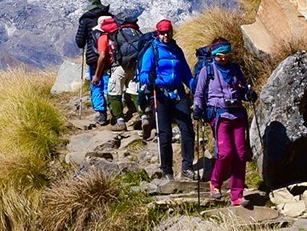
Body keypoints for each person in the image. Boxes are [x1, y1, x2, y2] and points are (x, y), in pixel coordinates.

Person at [192, 37, 257, 206]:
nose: (223, 58)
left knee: (241, 154)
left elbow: (241, 88)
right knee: (225, 152)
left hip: (238, 115)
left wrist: (248, 95)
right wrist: (197, 109)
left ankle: (237, 195)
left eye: (226, 55)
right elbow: (199, 94)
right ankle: (215, 183)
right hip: (219, 115)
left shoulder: (235, 69)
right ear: (214, 55)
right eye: (220, 55)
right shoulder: (208, 70)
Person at [137, 19, 196, 181]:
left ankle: (187, 167)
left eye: (168, 32)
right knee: (165, 133)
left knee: (187, 130)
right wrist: (149, 78)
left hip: (178, 94)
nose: (165, 36)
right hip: (159, 95)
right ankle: (166, 170)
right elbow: (143, 74)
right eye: (162, 33)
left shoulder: (177, 50)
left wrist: (194, 86)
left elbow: (185, 73)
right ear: (158, 33)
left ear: (172, 32)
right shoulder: (152, 50)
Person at [93, 16, 137, 131]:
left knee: (114, 93)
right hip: (132, 65)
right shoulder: (124, 34)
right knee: (134, 90)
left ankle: (120, 121)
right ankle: (144, 117)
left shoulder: (104, 37)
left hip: (116, 68)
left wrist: (97, 75)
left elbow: (102, 56)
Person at [74, 0, 112, 125]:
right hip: (111, 55)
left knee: (96, 83)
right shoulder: (110, 17)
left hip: (93, 56)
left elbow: (79, 42)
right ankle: (115, 109)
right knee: (109, 82)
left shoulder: (86, 20)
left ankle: (101, 114)